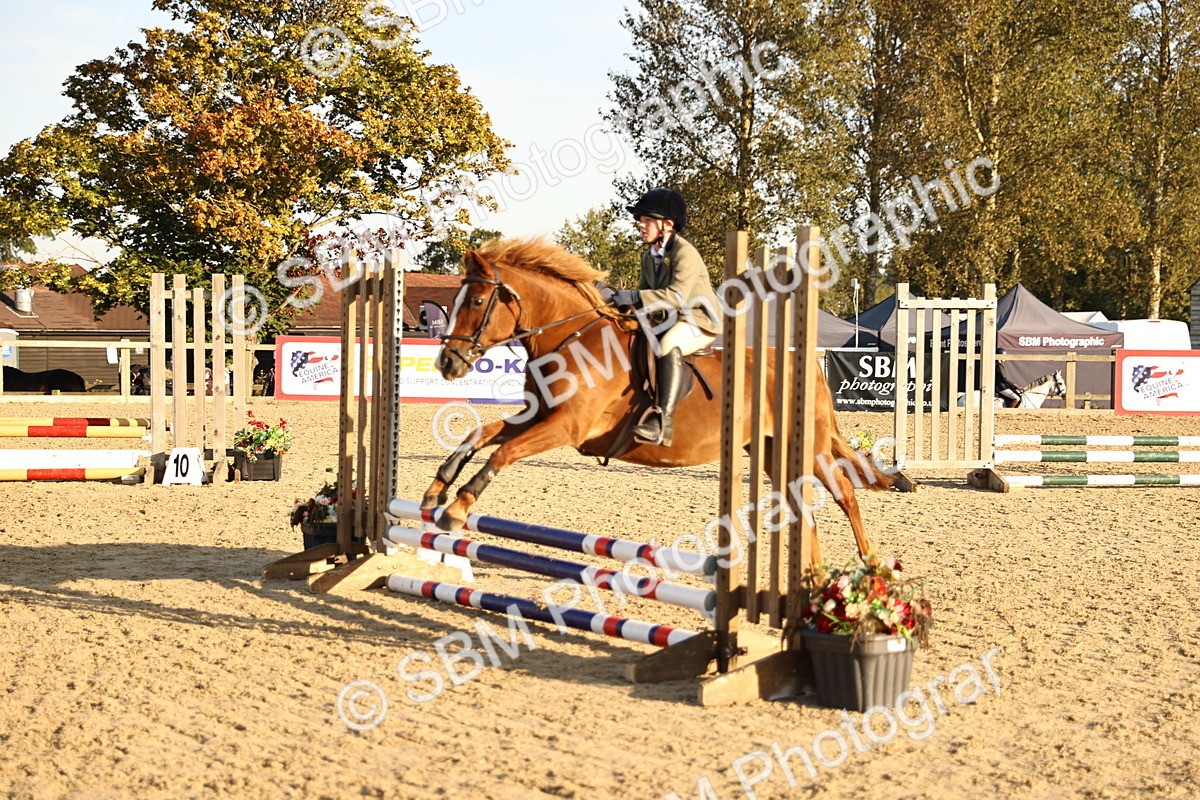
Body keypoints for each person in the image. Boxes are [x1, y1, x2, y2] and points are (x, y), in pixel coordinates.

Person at [611, 188, 722, 446]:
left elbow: (677, 295)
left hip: (698, 320)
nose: (640, 225)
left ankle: (663, 422)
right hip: (668, 319)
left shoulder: (685, 253)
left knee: (669, 344)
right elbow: (642, 295)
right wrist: (617, 304)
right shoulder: (648, 257)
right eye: (640, 220)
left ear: (667, 225)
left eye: (647, 220)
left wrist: (634, 297)